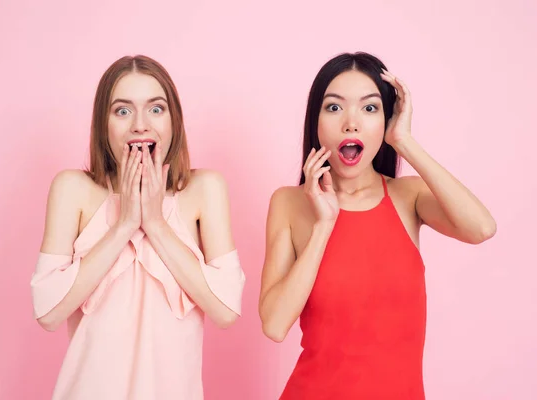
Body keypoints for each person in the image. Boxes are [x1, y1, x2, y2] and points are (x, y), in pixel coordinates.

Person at [258, 52, 496, 399]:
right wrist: (324, 224)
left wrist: (404, 142)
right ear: (316, 121)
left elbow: (481, 228)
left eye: (369, 109)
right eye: (334, 107)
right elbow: (275, 325)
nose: (350, 123)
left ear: (386, 121)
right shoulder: (289, 203)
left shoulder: (408, 196)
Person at [30, 55, 245, 400]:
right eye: (123, 111)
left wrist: (156, 224)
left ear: (174, 121)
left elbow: (226, 309)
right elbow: (48, 312)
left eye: (156, 109)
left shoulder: (205, 189)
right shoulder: (73, 189)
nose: (140, 125)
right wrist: (125, 224)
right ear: (104, 124)